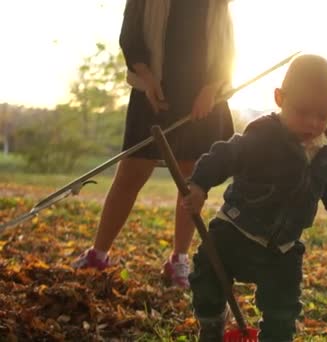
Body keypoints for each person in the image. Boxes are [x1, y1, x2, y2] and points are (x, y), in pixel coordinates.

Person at [183, 54, 327, 341]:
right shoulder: (262, 136)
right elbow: (224, 155)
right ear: (280, 98)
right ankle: (211, 325)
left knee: (283, 308)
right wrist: (198, 185)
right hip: (234, 232)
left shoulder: (326, 151)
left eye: (322, 115)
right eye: (303, 111)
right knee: (208, 277)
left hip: (282, 249)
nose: (312, 122)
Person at [71, 0, 236, 289]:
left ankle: (179, 260)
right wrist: (147, 79)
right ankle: (98, 254)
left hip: (201, 97)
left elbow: (226, 48)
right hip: (153, 91)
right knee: (130, 173)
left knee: (190, 180)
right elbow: (130, 36)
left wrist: (211, 88)